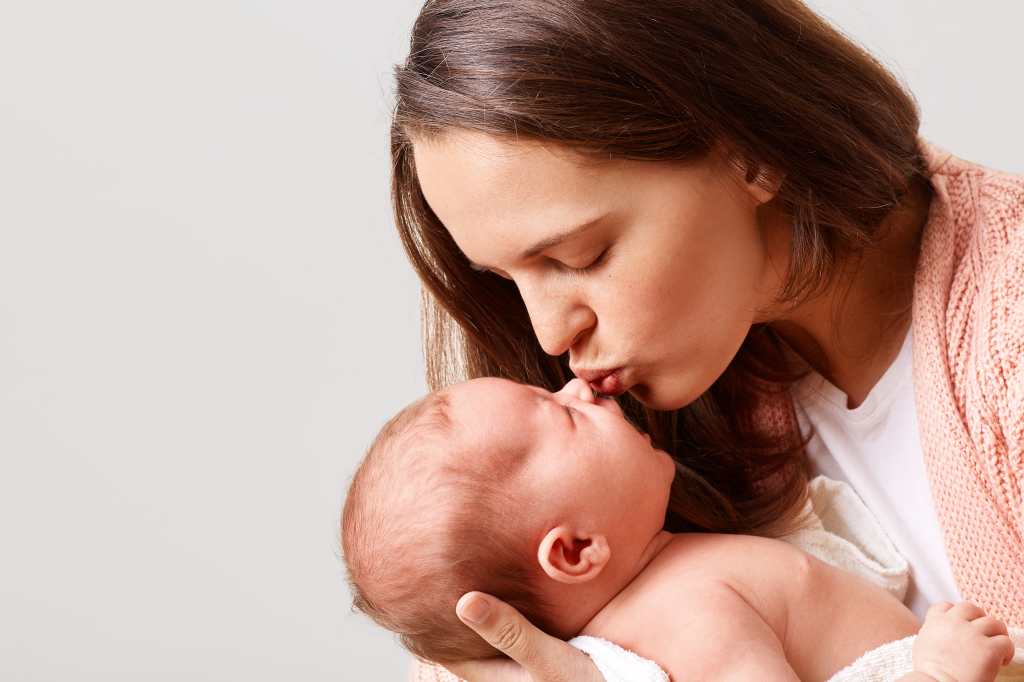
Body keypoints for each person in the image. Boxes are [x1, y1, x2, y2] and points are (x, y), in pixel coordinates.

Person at [385, 1, 1024, 680]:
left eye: (580, 257)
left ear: (751, 152)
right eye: (506, 280)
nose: (548, 336)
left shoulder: (1004, 329)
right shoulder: (622, 437)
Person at [342, 376, 1015, 680]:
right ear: (576, 550)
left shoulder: (672, 578)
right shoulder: (687, 617)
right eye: (565, 415)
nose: (582, 388)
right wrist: (938, 676)